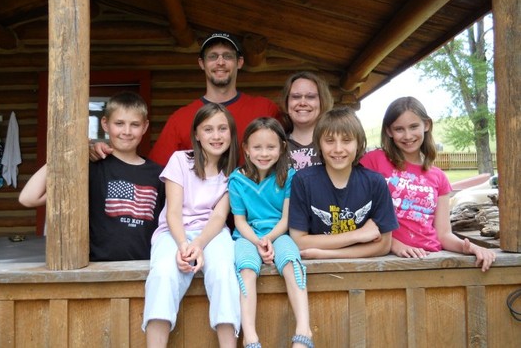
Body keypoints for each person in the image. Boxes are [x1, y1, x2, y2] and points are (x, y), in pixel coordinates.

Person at [91, 32, 280, 166]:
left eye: (228, 56)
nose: (220, 62)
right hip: (201, 212)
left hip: (256, 210)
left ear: (239, 62)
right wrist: (96, 150)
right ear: (202, 63)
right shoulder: (181, 118)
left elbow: (293, 146)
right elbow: (155, 171)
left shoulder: (265, 109)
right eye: (213, 56)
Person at [19, 91, 165, 261]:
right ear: (105, 124)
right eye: (119, 123)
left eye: (135, 124)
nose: (126, 131)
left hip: (145, 267)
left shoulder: (159, 175)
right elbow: (28, 198)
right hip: (97, 268)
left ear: (145, 127)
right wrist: (68, 153)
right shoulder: (90, 168)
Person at [142, 103, 241, 348]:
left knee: (224, 273)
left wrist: (198, 243)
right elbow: (173, 212)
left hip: (212, 234)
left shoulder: (234, 173)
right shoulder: (180, 161)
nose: (216, 136)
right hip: (174, 232)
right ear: (196, 134)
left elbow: (219, 217)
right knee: (163, 273)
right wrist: (183, 245)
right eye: (208, 129)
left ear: (231, 133)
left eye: (222, 129)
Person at [359, 96, 496, 271]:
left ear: (426, 125)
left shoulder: (439, 177)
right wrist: (393, 244)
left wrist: (470, 248)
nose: (407, 136)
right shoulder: (374, 161)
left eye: (413, 127)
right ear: (389, 131)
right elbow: (356, 214)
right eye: (399, 129)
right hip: (387, 259)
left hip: (431, 259)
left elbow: (444, 234)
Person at [229, 117, 313, 348]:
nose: (264, 153)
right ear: (246, 148)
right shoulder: (237, 180)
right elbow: (239, 220)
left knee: (292, 262)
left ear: (282, 147)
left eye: (271, 147)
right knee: (246, 267)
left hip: (280, 233)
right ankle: (250, 336)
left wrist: (269, 239)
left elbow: (286, 219)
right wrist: (258, 241)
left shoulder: (289, 176)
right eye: (257, 147)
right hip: (247, 236)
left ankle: (304, 330)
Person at [288, 107, 398, 259]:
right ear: (319, 144)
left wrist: (326, 254)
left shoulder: (375, 183)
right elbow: (299, 241)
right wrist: (358, 235)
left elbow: (384, 245)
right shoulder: (303, 181)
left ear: (359, 143)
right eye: (329, 141)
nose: (338, 149)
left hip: (364, 270)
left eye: (346, 140)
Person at [280, 71, 333, 170]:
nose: (302, 103)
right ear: (287, 103)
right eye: (296, 97)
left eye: (310, 97)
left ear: (322, 102)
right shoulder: (277, 146)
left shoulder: (335, 144)